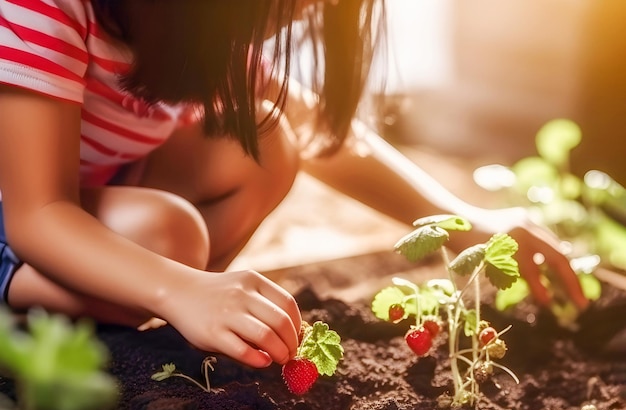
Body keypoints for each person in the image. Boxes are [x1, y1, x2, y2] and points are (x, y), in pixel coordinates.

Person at [0, 0, 587, 370]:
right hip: (25, 210)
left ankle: (118, 306)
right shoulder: (43, 8)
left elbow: (320, 136)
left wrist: (462, 221)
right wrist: (180, 289)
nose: (307, 13)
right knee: (170, 236)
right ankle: (55, 316)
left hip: (89, 192)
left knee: (264, 135)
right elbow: (40, 211)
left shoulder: (200, 34)